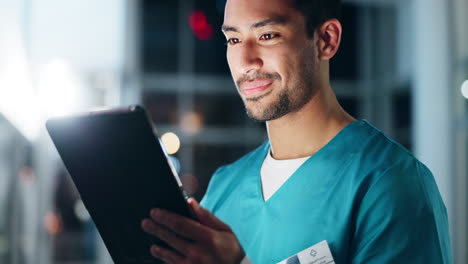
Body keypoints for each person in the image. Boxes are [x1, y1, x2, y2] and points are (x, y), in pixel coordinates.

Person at [141, 0, 453, 263]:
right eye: (234, 40)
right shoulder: (225, 187)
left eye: (267, 35)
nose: (246, 61)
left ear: (326, 40)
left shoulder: (390, 183)